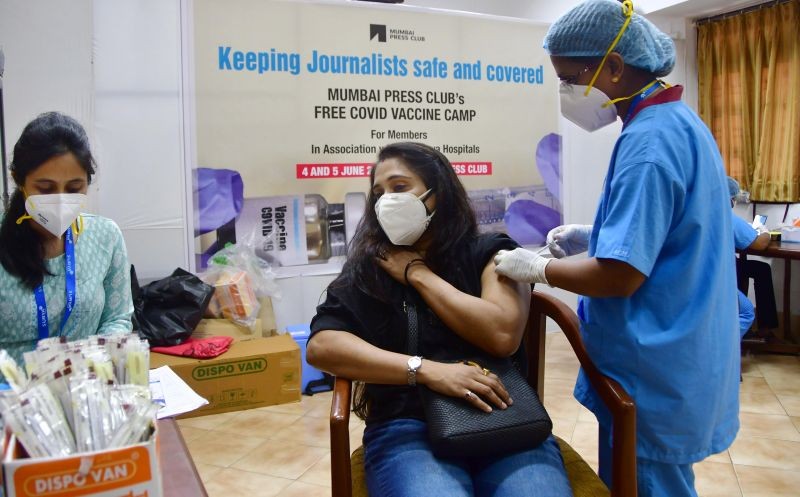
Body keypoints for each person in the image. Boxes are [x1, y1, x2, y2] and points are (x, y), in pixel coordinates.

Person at [493, 2, 739, 496]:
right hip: (684, 347)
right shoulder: (679, 123)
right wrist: (600, 233)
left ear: (613, 66)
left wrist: (536, 268)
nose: (566, 93)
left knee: (644, 482)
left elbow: (620, 276)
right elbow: (676, 229)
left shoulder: (648, 143)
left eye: (570, 78)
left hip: (655, 363)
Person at [307, 142, 572, 497]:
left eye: (400, 187)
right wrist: (427, 370)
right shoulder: (372, 267)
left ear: (438, 192)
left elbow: (501, 334)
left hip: (505, 420)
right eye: (378, 193)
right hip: (406, 428)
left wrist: (417, 274)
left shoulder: (490, 252)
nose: (386, 200)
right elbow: (323, 346)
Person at [0, 112, 133, 373]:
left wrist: (99, 367)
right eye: (46, 188)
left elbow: (117, 318)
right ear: (19, 180)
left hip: (84, 396)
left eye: (74, 189)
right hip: (12, 403)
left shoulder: (105, 237)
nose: (60, 200)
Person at [727, 177, 778, 336]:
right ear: (731, 199)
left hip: (707, 268)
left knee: (760, 269)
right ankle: (726, 347)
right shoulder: (727, 217)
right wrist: (765, 231)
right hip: (720, 273)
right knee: (747, 312)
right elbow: (760, 244)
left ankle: (765, 328)